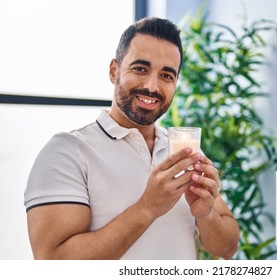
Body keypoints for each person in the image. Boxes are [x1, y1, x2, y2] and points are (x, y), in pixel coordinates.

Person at [24, 17, 240, 260]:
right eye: (140, 69)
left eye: (167, 75)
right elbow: (52, 263)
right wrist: (147, 208)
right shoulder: (67, 152)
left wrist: (206, 213)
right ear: (114, 70)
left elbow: (228, 247)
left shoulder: (182, 152)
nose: (152, 86)